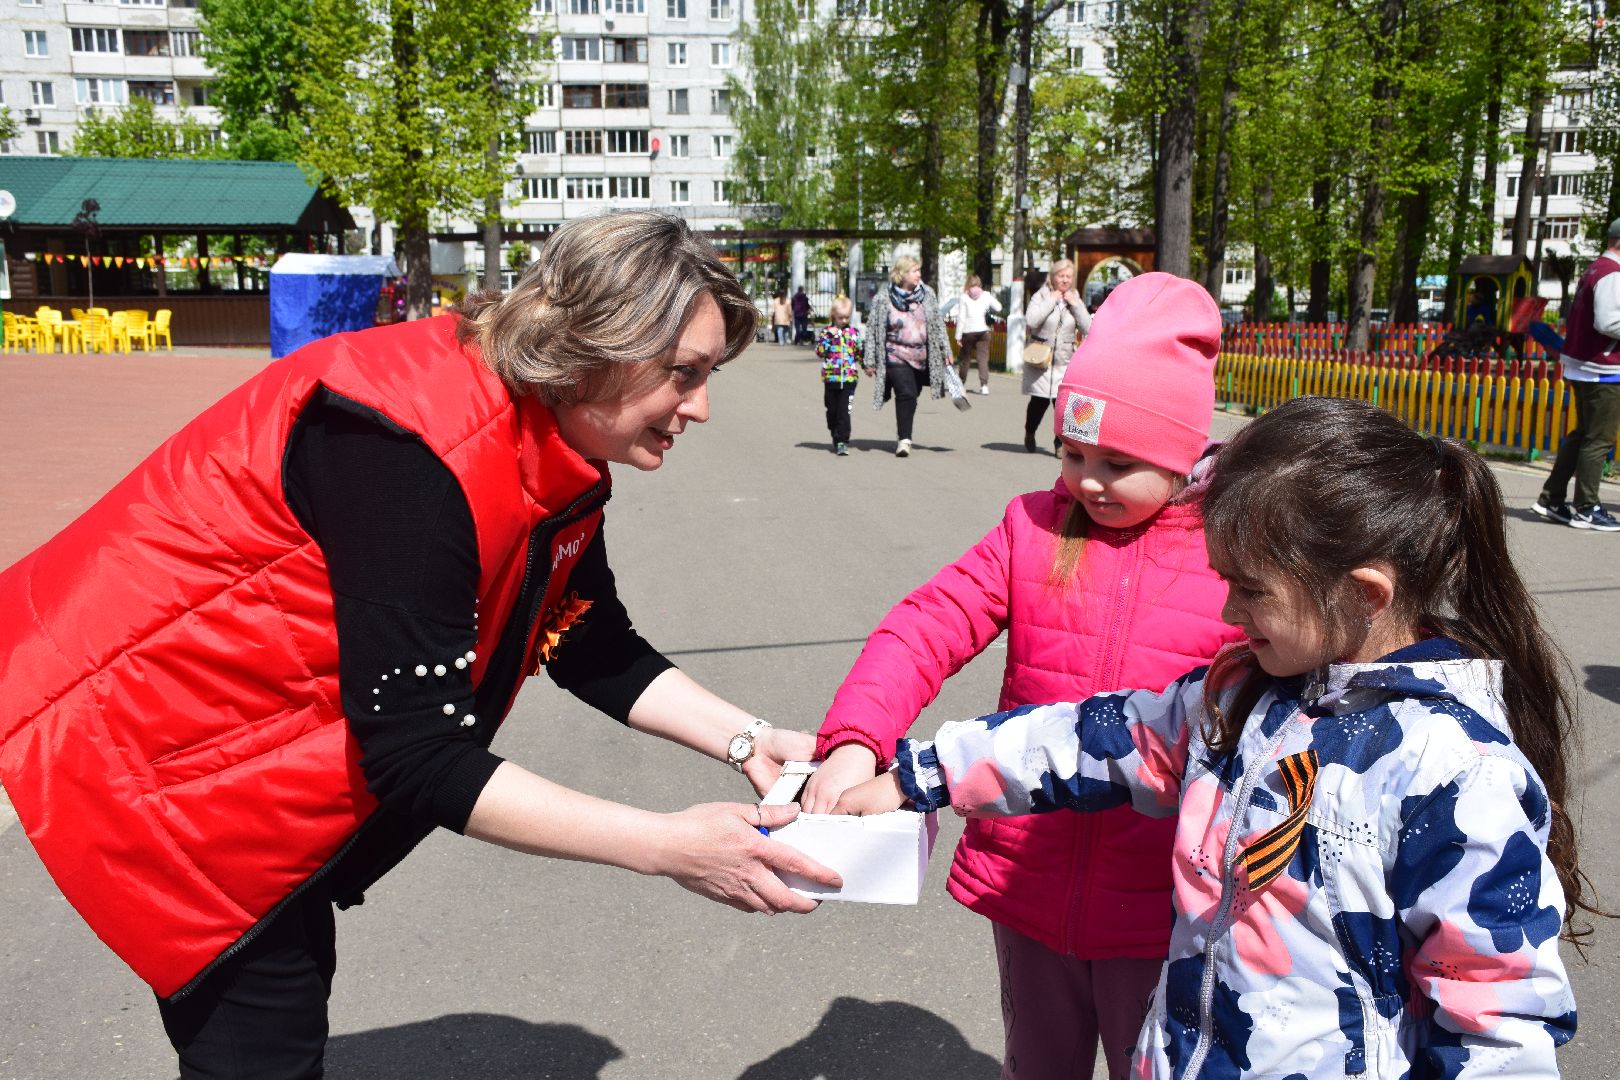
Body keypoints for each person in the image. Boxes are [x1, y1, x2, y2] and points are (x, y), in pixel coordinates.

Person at [0, 211, 841, 1080]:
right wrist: (668, 846)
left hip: (244, 747)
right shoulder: (415, 449)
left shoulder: (548, 437)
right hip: (156, 750)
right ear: (599, 343)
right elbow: (417, 754)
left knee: (284, 990)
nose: (699, 408)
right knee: (262, 1026)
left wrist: (749, 738)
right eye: (684, 374)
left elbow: (582, 633)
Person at [839, 395, 1592, 1079]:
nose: (1229, 612)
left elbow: (1497, 1019)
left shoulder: (1453, 770)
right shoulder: (1242, 692)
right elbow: (1091, 735)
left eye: (1251, 588)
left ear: (1364, 596)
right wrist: (918, 775)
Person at [803, 273, 1244, 1079]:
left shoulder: (1234, 558)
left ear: (1183, 454)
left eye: (1119, 461)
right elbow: (926, 625)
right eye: (1072, 453)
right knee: (1038, 1062)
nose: (1088, 482)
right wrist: (856, 741)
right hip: (1029, 885)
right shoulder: (1033, 528)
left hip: (1165, 902)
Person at [1533, 216, 1620, 532]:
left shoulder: (1597, 269)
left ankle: (1552, 498)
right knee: (1599, 439)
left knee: (1583, 434)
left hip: (1585, 366)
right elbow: (1609, 323)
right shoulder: (1613, 274)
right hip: (1603, 368)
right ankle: (1587, 507)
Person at [862, 255, 953, 458]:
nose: (919, 274)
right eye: (914, 270)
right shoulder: (883, 298)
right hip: (895, 354)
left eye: (919, 270)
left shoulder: (927, 294)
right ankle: (904, 440)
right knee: (906, 394)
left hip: (922, 356)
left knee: (913, 392)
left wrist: (946, 351)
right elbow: (872, 329)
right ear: (902, 274)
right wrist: (869, 360)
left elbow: (938, 325)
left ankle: (903, 419)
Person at [1022, 260, 1091, 453]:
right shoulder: (1041, 295)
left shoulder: (1074, 297)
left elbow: (1088, 327)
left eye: (1068, 276)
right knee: (1039, 402)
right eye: (1061, 276)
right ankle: (1030, 432)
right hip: (1041, 360)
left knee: (1062, 405)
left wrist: (1075, 305)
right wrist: (1050, 300)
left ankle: (1060, 444)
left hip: (1065, 360)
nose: (1065, 280)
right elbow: (1032, 320)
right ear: (1053, 277)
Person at [816, 294, 863, 456]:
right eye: (840, 317)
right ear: (833, 315)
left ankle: (842, 440)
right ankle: (833, 430)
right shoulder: (826, 333)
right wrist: (830, 336)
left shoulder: (853, 333)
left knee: (844, 411)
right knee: (832, 410)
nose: (843, 320)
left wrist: (867, 366)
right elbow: (820, 351)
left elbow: (859, 353)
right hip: (831, 378)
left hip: (849, 378)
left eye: (846, 317)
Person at [946, 274, 1002, 395]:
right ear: (980, 284)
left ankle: (961, 384)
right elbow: (999, 307)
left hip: (968, 332)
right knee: (983, 359)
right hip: (984, 331)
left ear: (967, 285)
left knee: (965, 360)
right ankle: (984, 386)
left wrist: (958, 336)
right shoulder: (985, 295)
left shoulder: (964, 297)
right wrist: (987, 304)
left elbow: (961, 318)